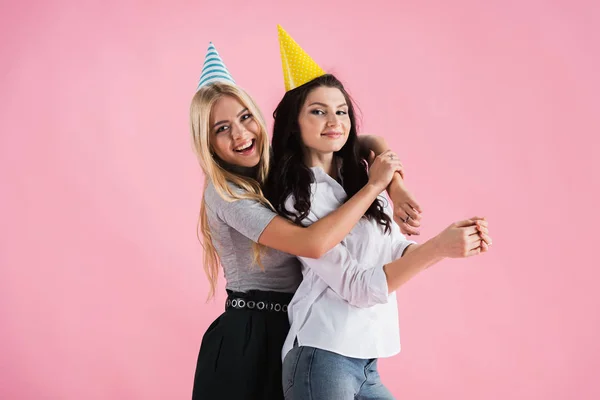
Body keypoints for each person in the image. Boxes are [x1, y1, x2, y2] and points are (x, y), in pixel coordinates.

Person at [267, 27, 492, 399]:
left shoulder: (356, 176)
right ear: (294, 124)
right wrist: (435, 246)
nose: (334, 121)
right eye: (318, 112)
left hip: (367, 360)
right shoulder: (298, 198)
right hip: (322, 355)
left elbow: (394, 249)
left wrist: (450, 242)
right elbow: (357, 286)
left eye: (341, 111)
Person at [190, 42, 422, 400]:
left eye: (246, 117)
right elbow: (312, 243)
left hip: (294, 325)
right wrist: (376, 184)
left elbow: (365, 141)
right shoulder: (226, 194)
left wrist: (397, 186)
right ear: (206, 141)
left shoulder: (275, 165)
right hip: (248, 334)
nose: (240, 134)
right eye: (222, 128)